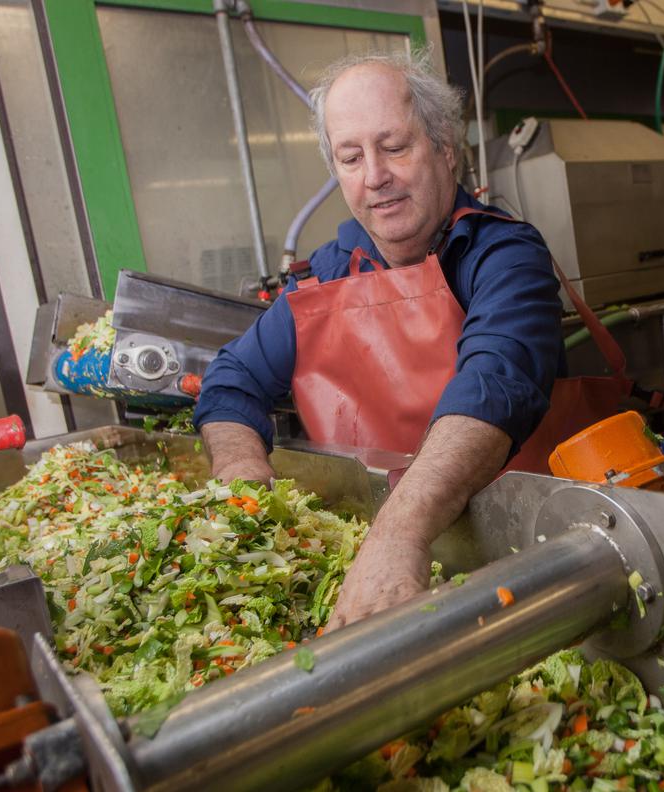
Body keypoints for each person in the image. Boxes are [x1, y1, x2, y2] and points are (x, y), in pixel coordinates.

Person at [193, 50, 565, 629]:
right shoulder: (324, 279)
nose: (375, 176)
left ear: (445, 147)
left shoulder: (504, 256)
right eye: (351, 156)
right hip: (370, 565)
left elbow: (497, 382)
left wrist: (397, 535)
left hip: (528, 565)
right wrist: (242, 469)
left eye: (394, 147)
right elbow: (230, 381)